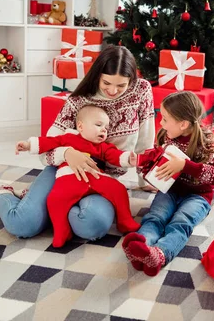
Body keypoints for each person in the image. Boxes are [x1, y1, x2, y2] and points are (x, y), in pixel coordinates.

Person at [0, 46, 155, 242]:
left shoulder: (141, 91)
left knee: (91, 227)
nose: (113, 91)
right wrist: (68, 153)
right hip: (63, 170)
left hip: (103, 176)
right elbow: (46, 150)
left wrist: (144, 179)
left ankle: (44, 204)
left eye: (121, 85)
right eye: (107, 83)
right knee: (23, 225)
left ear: (132, 80)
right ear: (97, 76)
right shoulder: (78, 101)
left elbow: (145, 140)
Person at [122, 91, 214, 276]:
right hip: (170, 189)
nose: (160, 123)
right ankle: (143, 245)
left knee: (180, 222)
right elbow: (156, 157)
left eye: (165, 118)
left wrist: (185, 165)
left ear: (183, 124)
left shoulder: (206, 140)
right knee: (156, 216)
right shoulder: (166, 135)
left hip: (198, 195)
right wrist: (142, 163)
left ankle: (161, 253)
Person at [15, 105, 141, 247]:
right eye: (99, 125)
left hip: (95, 176)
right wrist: (28, 144)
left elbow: (115, 155)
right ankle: (62, 231)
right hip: (70, 177)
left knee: (118, 189)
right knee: (55, 200)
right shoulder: (68, 138)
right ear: (80, 126)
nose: (104, 130)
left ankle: (125, 220)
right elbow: (48, 142)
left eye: (106, 127)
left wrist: (127, 159)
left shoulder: (102, 147)